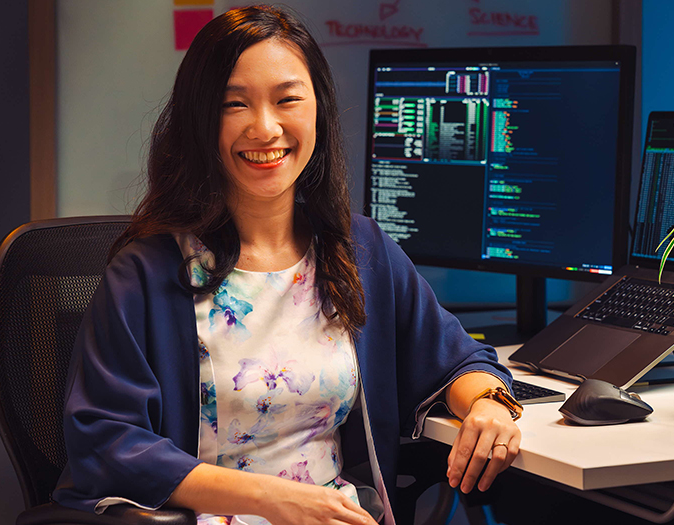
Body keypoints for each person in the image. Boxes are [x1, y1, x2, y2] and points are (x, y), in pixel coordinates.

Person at [52, 5, 521, 525]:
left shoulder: (358, 250)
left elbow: (458, 359)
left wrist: (488, 405)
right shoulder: (146, 271)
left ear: (317, 108)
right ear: (201, 120)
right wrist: (275, 500)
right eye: (234, 104)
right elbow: (108, 441)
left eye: (287, 99)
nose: (265, 127)